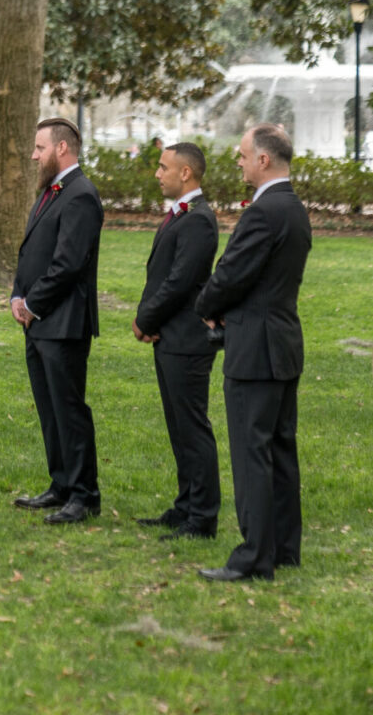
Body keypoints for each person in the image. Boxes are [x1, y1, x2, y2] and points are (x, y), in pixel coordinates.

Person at [194, 123, 311, 583]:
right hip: (282, 342)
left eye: (243, 155)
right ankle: (283, 547)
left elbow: (231, 275)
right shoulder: (295, 209)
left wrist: (206, 307)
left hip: (255, 349)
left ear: (264, 159)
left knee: (251, 453)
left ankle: (254, 557)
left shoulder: (264, 213)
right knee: (280, 450)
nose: (238, 162)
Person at [10, 117, 104, 526]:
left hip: (63, 322)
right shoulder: (51, 191)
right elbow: (31, 250)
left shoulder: (81, 195)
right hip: (38, 321)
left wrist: (33, 303)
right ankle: (61, 484)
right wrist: (17, 294)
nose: (34, 155)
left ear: (62, 149)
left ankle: (84, 495)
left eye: (39, 148)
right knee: (49, 409)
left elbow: (68, 264)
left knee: (69, 410)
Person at [133, 142, 221, 539]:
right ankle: (185, 506)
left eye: (163, 167)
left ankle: (202, 519)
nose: (157, 173)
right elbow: (161, 276)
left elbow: (180, 282)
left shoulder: (199, 219)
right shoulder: (180, 215)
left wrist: (145, 318)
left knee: (192, 428)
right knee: (178, 427)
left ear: (186, 173)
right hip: (169, 336)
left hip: (187, 339)